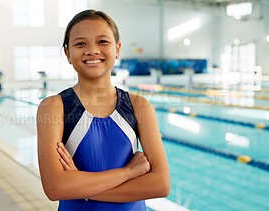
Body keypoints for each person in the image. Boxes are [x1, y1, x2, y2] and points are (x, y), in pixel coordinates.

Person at [37, 9, 170, 211]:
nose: (92, 50)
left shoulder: (139, 106)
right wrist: (129, 172)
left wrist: (79, 185)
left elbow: (160, 184)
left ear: (117, 49)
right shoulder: (54, 107)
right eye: (80, 43)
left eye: (102, 42)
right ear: (67, 54)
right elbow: (55, 187)